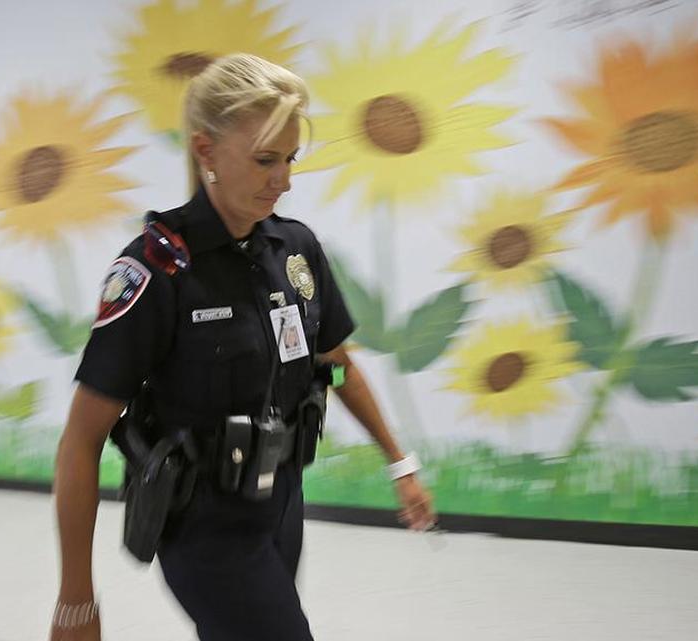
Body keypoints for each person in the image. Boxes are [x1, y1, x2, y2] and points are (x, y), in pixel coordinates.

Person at [50, 53, 437, 641]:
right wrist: (76, 597)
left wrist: (399, 464)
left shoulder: (295, 249)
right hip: (204, 527)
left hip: (281, 508)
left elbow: (337, 364)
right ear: (206, 151)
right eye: (264, 161)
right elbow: (81, 440)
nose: (283, 180)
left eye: (288, 159)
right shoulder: (155, 270)